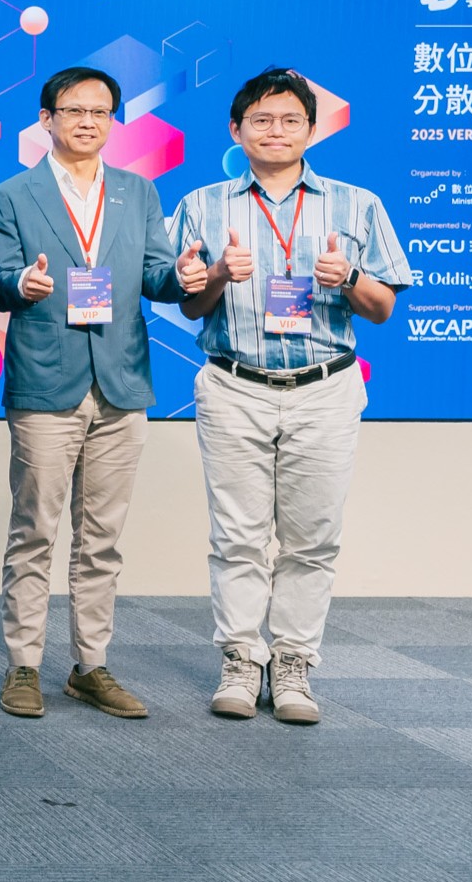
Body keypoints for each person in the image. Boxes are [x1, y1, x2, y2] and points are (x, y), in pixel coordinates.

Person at [171, 68, 409, 726]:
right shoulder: (200, 205)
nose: (274, 131)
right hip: (234, 385)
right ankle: (240, 660)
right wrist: (217, 274)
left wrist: (350, 276)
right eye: (260, 120)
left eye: (289, 120)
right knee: (237, 537)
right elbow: (189, 304)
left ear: (311, 130)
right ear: (235, 130)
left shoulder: (357, 204)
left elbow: (382, 308)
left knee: (312, 537)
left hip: (324, 387)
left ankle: (294, 663)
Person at [0, 69, 201, 720]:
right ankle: (23, 664)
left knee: (101, 537)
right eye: (73, 110)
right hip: (44, 381)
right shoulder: (12, 194)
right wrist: (20, 285)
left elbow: (158, 277)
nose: (87, 121)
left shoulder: (138, 192)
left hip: (121, 382)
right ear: (45, 119)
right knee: (33, 531)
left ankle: (91, 665)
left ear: (113, 121)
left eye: (100, 112)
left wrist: (184, 274)